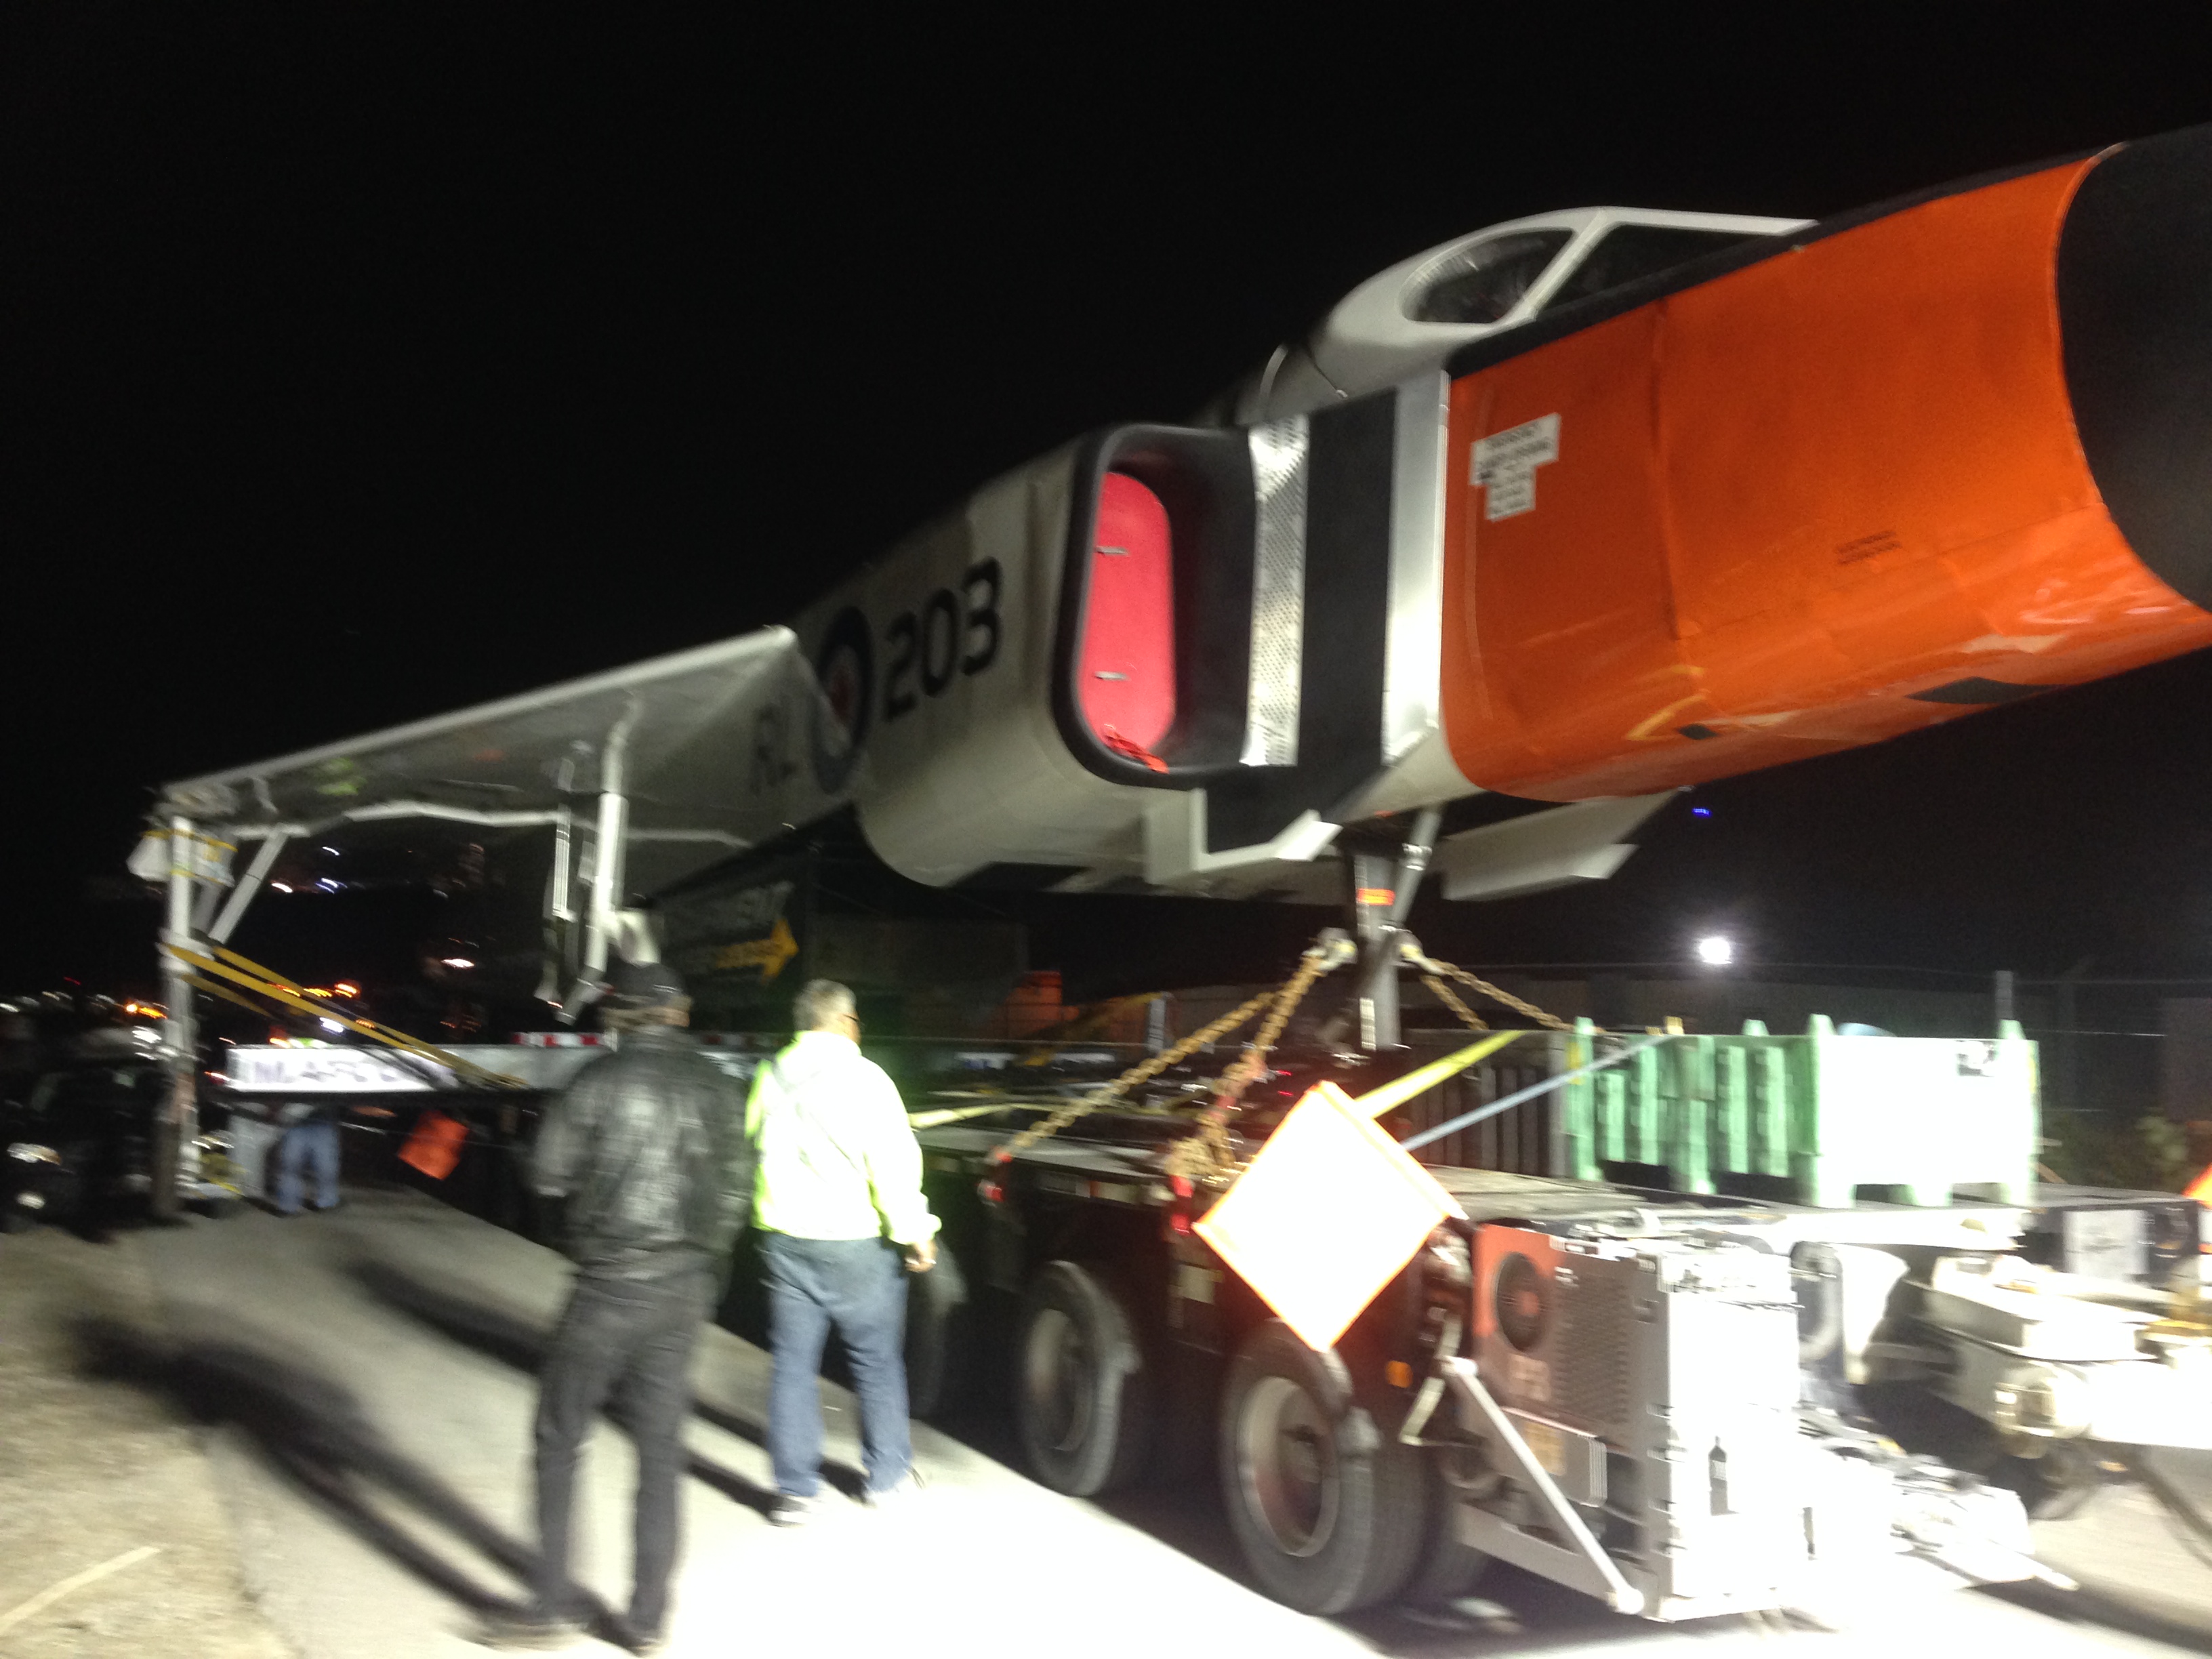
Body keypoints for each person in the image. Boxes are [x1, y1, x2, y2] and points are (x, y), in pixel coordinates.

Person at [482, 960, 750, 1654]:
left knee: (560, 1438)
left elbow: (548, 1175)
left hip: (608, 1286)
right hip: (683, 1291)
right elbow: (737, 1188)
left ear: (622, 1015)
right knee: (661, 1452)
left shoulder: (597, 1081)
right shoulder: (720, 1086)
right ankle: (646, 1620)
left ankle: (550, 1602)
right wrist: (705, 1257)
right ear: (679, 1013)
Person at [747, 978, 937, 1524]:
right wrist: (916, 1231)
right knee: (876, 1362)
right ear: (847, 1023)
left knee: (793, 1364)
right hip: (856, 1243)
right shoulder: (866, 1078)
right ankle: (886, 1480)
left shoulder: (770, 1074)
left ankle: (795, 1492)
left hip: (785, 1241)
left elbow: (753, 1140)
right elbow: (892, 1164)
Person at [272, 1099, 342, 1216]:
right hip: (295, 1124)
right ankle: (287, 1205)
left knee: (326, 1167)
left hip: (323, 1122)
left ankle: (326, 1201)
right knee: (290, 1165)